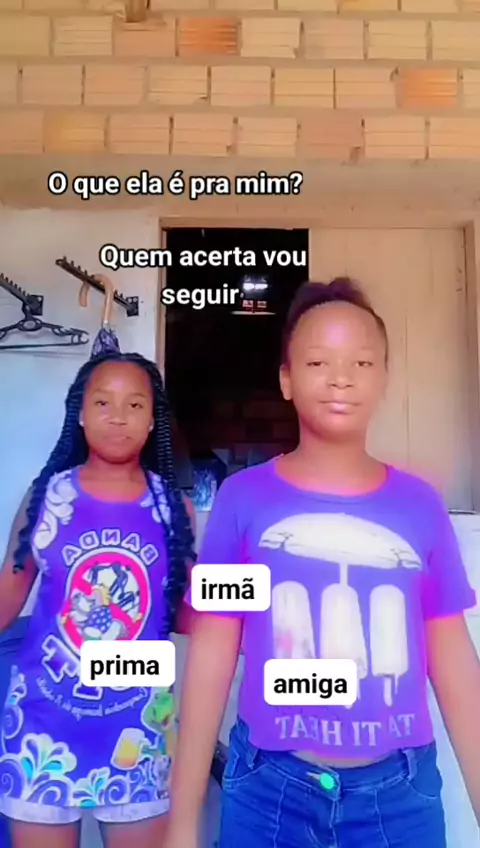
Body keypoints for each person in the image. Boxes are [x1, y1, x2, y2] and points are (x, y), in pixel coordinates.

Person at [165, 278, 480, 848]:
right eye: (317, 362)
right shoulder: (243, 500)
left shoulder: (420, 506)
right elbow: (213, 647)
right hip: (268, 792)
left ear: (384, 378)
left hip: (399, 799)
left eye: (362, 362)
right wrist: (183, 821)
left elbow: (454, 661)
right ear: (286, 379)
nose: (341, 378)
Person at [0, 351, 195, 848]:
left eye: (135, 405)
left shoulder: (173, 508)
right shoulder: (47, 497)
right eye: (103, 402)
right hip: (41, 729)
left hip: (138, 732)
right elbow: (6, 599)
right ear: (81, 414)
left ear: (152, 420)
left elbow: (190, 614)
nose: (118, 416)